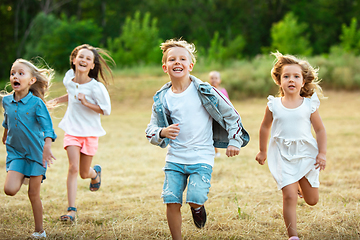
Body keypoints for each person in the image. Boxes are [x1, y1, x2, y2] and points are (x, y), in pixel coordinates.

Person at [145, 39, 249, 240]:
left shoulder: (205, 91)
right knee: (171, 200)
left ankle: (198, 206)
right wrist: (162, 132)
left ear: (190, 65)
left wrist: (235, 141)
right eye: (172, 59)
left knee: (194, 198)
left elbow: (231, 115)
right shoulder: (162, 97)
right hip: (174, 158)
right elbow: (150, 129)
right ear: (165, 67)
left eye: (183, 59)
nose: (178, 62)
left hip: (201, 157)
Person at [255, 52, 327, 240]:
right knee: (289, 197)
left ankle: (298, 182)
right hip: (282, 155)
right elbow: (264, 127)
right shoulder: (274, 104)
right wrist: (262, 150)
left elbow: (320, 130)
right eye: (286, 76)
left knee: (312, 200)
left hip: (305, 154)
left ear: (303, 81)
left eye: (296, 76)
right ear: (279, 81)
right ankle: (292, 236)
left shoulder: (309, 105)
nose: (291, 80)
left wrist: (322, 154)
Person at [50, 44, 113, 222]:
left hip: (90, 133)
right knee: (73, 167)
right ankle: (71, 210)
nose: (84, 60)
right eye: (81, 57)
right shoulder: (69, 78)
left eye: (88, 58)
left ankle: (95, 174)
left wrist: (86, 103)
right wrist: (56, 101)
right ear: (74, 60)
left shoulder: (96, 88)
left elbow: (106, 110)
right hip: (72, 130)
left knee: (84, 173)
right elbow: (71, 94)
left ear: (92, 65)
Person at [2, 58, 57, 238]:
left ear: (32, 80)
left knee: (33, 194)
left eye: (20, 73)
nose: (15, 76)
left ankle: (39, 230)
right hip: (16, 153)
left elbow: (48, 128)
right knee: (9, 190)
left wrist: (47, 146)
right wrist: (5, 133)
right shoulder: (7, 101)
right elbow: (7, 119)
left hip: (36, 154)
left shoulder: (37, 104)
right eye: (12, 73)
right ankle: (21, 173)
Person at [208, 70, 229, 157]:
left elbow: (228, 103)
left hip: (221, 115)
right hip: (211, 115)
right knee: (211, 133)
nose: (214, 80)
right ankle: (215, 151)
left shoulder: (223, 91)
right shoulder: (208, 90)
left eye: (216, 78)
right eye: (212, 78)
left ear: (219, 80)